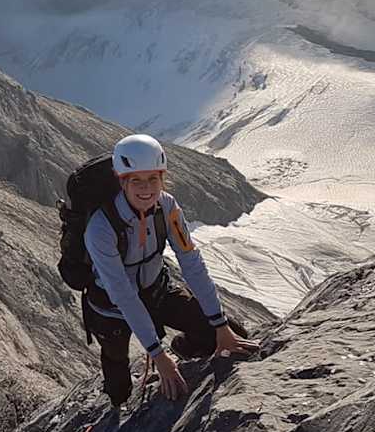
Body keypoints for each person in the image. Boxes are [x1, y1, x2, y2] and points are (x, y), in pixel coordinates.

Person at [84, 134, 259, 406]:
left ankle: (184, 348)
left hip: (158, 290)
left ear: (162, 178)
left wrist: (221, 325)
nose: (146, 188)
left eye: (153, 179)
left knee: (231, 336)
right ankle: (116, 404)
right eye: (136, 180)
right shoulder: (100, 228)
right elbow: (123, 294)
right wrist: (158, 355)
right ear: (122, 181)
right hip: (111, 307)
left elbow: (192, 263)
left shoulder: (167, 207)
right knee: (118, 383)